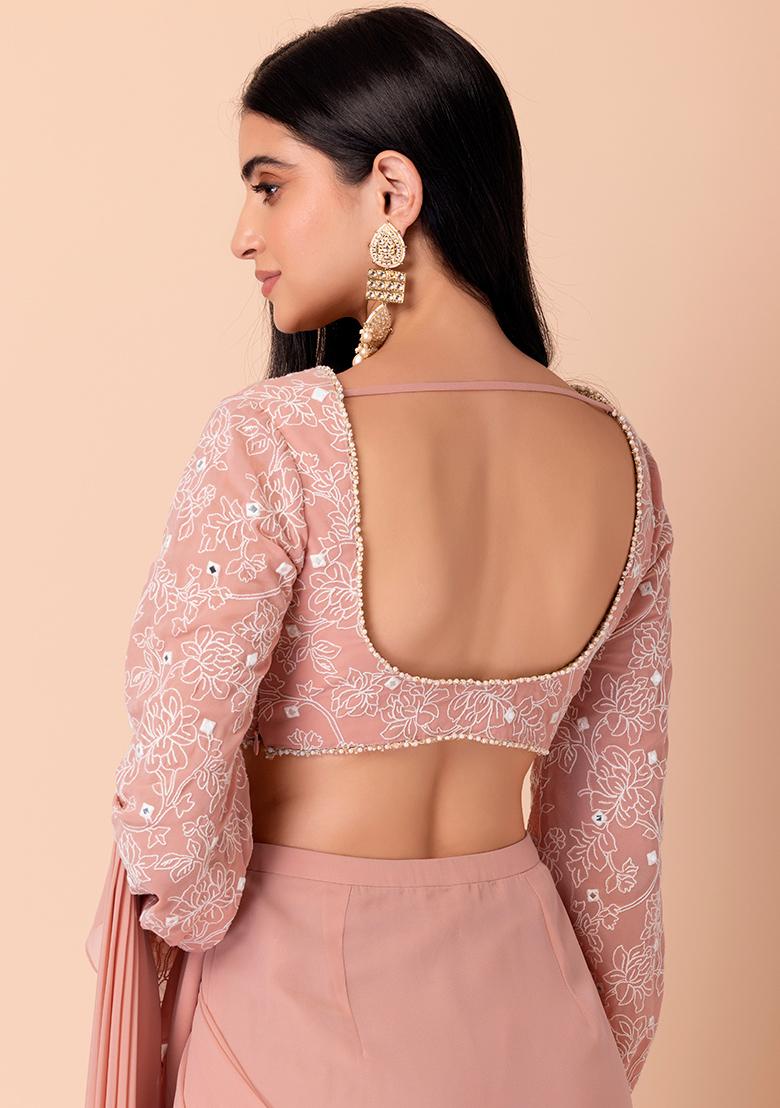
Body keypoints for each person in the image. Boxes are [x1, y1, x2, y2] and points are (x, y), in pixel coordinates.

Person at [84, 7, 674, 1106]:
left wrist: (191, 928)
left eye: (270, 186)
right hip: (540, 1019)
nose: (244, 234)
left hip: (292, 1011)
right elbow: (613, 859)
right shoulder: (622, 462)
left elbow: (170, 825)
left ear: (393, 191)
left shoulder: (275, 439)